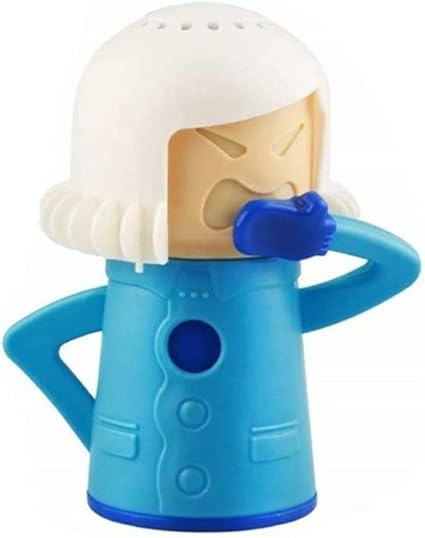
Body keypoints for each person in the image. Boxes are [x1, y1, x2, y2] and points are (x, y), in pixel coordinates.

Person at [3, 3, 420, 531]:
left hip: (268, 483)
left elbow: (400, 267)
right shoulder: (138, 290)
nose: (262, 177)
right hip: (136, 487)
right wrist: (103, 436)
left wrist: (323, 234)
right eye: (226, 151)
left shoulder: (274, 302)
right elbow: (28, 343)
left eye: (287, 146)